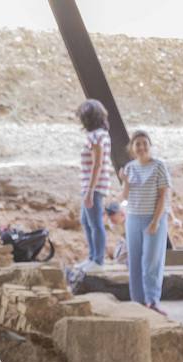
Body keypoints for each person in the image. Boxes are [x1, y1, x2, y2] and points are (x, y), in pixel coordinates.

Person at [118, 130, 173, 315]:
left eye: (144, 143)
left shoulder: (159, 166)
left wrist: (156, 221)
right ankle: (138, 302)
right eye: (137, 144)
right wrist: (125, 181)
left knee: (152, 261)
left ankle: (152, 300)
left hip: (153, 217)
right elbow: (124, 197)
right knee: (134, 260)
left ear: (150, 145)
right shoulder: (130, 168)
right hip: (133, 217)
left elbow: (163, 195)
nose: (141, 147)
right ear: (132, 148)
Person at [77, 99, 113, 269]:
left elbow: (97, 164)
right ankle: (92, 257)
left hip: (94, 186)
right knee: (86, 221)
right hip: (90, 186)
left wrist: (90, 191)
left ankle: (98, 260)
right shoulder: (99, 135)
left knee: (95, 223)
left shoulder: (97, 136)